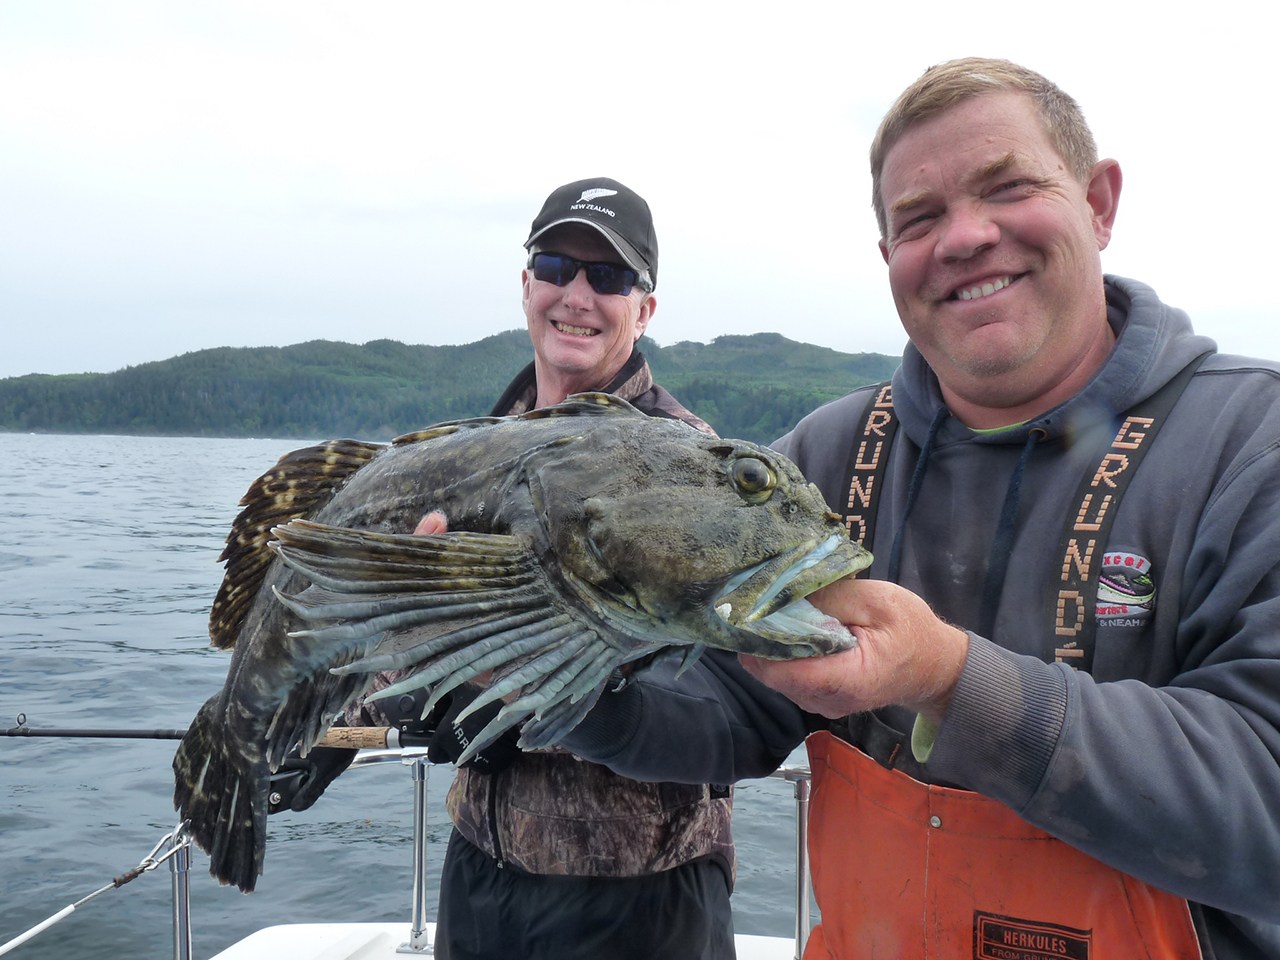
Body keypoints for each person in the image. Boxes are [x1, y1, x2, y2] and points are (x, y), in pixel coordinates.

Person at [541, 60, 1280, 958]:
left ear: (1099, 202)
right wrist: (537, 670)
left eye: (1008, 187)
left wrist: (949, 678)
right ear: (889, 257)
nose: (965, 237)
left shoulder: (1251, 444)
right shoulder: (824, 458)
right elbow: (728, 712)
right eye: (919, 219)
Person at [285, 177, 736, 960]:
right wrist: (333, 728)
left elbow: (713, 692)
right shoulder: (462, 457)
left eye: (610, 276)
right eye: (558, 265)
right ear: (527, 284)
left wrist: (515, 697)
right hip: (482, 872)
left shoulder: (696, 467)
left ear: (646, 308)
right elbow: (415, 638)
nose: (579, 295)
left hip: (644, 898)